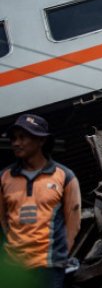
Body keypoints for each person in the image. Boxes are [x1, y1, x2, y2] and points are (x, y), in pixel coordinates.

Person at [0, 114, 81, 288]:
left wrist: (61, 256)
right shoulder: (4, 177)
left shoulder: (65, 176)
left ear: (41, 141)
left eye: (23, 137)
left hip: (49, 267)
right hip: (15, 267)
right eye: (13, 138)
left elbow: (73, 223)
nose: (15, 143)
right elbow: (2, 220)